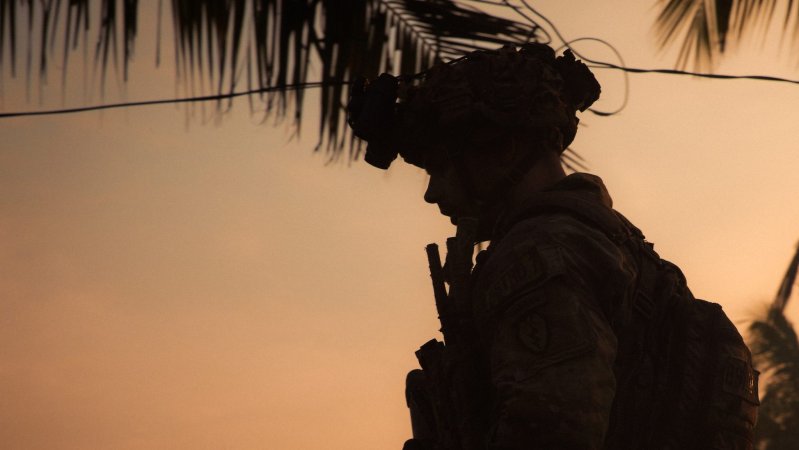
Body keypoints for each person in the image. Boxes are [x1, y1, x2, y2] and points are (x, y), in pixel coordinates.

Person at [348, 43, 759, 449]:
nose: (432, 193)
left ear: (504, 149)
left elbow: (554, 431)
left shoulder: (539, 251)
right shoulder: (613, 241)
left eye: (440, 167)